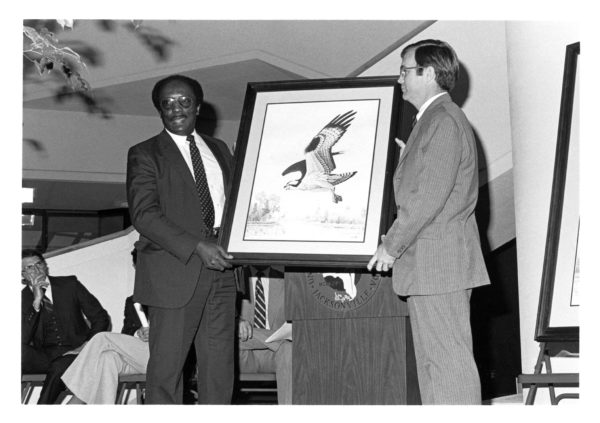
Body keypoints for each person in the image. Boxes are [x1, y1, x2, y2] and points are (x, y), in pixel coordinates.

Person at [367, 39, 490, 405]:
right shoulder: (434, 122)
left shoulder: (443, 121)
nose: (400, 78)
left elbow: (426, 200)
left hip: (438, 267)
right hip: (432, 267)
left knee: (448, 369)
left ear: (430, 73)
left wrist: (390, 246)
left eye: (405, 70)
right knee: (436, 369)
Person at [126, 74, 237, 404]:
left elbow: (234, 205)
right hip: (175, 270)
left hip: (224, 269)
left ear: (198, 106)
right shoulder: (145, 153)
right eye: (167, 103)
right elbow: (144, 215)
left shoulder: (220, 150)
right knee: (167, 371)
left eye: (184, 102)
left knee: (219, 368)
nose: (176, 108)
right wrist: (196, 246)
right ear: (159, 109)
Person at [21, 249, 110, 404]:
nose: (36, 270)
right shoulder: (21, 299)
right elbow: (23, 338)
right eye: (29, 267)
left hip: (76, 352)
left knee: (59, 367)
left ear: (45, 266)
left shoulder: (69, 284)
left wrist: (86, 345)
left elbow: (100, 317)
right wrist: (36, 302)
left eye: (39, 264)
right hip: (44, 356)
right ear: (23, 275)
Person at [61, 250, 150, 404]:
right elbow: (126, 333)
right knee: (107, 358)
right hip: (138, 358)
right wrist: (137, 333)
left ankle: (76, 398)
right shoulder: (132, 300)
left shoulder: (171, 297)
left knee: (102, 337)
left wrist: (155, 331)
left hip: (162, 357)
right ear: (135, 267)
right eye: (141, 266)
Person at [237, 266, 292, 404]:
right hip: (241, 354)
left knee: (289, 349)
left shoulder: (287, 280)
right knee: (230, 331)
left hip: (277, 355)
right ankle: (278, 339)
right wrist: (236, 320)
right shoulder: (235, 278)